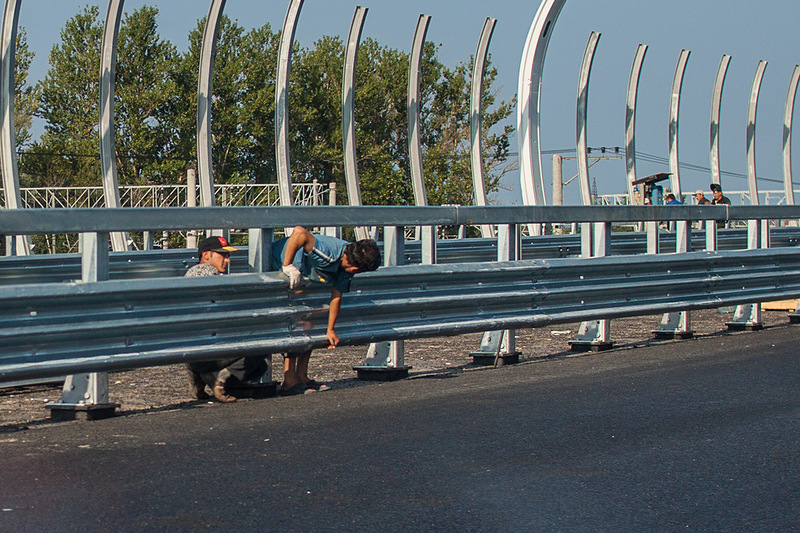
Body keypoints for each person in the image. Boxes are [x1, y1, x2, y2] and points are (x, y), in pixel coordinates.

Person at [272, 226, 381, 396]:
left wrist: (330, 329)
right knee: (297, 319)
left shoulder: (347, 267)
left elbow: (336, 296)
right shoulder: (328, 255)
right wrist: (288, 265)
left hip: (306, 277)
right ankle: (289, 379)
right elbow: (299, 232)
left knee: (312, 318)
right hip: (282, 260)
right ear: (357, 269)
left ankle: (301, 375)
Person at [185, 236, 269, 403]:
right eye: (223, 255)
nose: (227, 260)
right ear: (206, 255)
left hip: (190, 353)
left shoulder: (189, 274)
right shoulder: (211, 275)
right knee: (261, 351)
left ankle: (200, 380)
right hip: (212, 350)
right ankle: (222, 379)